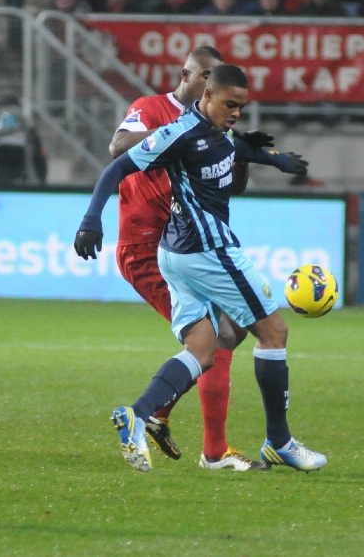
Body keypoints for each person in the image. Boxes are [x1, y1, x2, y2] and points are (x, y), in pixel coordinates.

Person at [75, 64, 326, 474]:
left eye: (242, 107)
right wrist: (91, 219)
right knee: (274, 331)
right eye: (230, 104)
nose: (236, 114)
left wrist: (274, 159)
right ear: (206, 95)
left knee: (204, 348)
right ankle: (279, 442)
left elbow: (235, 147)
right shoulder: (178, 133)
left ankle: (137, 416)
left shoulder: (217, 131)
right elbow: (118, 166)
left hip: (176, 254)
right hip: (208, 248)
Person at [105, 47, 262, 472]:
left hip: (181, 245)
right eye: (204, 76)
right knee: (217, 336)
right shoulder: (152, 108)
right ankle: (197, 442)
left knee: (229, 331)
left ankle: (166, 420)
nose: (211, 86)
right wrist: (179, 132)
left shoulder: (212, 130)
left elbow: (233, 187)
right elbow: (117, 146)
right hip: (144, 248)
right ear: (186, 76)